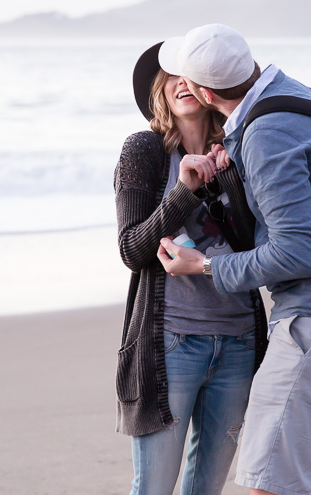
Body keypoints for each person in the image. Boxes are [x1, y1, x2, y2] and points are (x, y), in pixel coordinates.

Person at [156, 24, 311, 495]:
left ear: (204, 92)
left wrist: (203, 266)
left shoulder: (266, 132)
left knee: (269, 482)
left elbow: (296, 253)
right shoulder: (296, 96)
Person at [114, 42, 269, 495]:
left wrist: (230, 183)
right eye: (172, 74)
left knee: (207, 489)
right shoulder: (143, 151)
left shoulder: (242, 147)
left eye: (192, 73)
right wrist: (184, 190)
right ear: (159, 90)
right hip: (172, 343)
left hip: (239, 338)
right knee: (154, 489)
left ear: (209, 88)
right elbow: (131, 250)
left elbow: (260, 246)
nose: (183, 81)